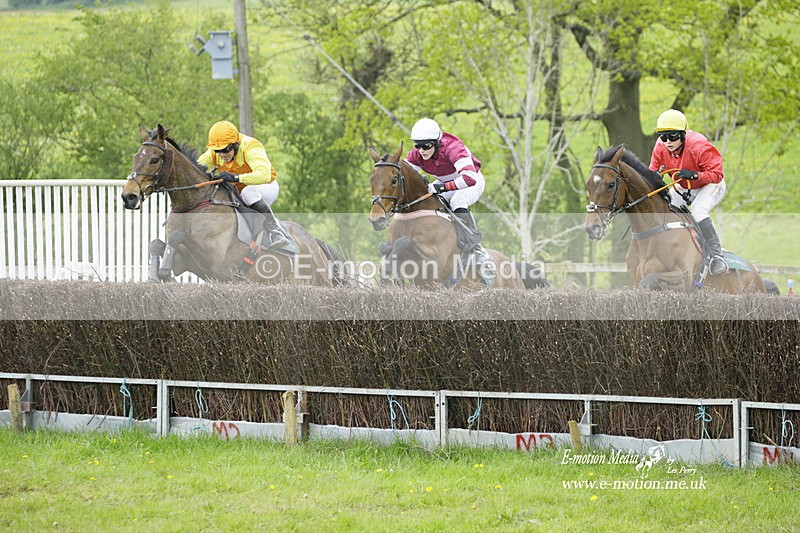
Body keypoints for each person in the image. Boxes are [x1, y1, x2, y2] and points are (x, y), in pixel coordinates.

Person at [405, 118, 494, 272]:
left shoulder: (453, 148)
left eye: (426, 145)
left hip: (472, 181)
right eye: (418, 145)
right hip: (445, 184)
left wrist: (442, 187)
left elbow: (469, 179)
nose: (422, 150)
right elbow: (403, 175)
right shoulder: (417, 154)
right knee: (428, 202)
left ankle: (475, 247)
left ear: (437, 142)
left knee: (458, 201)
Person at [649, 109, 728, 275]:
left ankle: (717, 256)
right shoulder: (660, 147)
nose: (668, 142)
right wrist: (654, 177)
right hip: (684, 186)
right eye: (663, 137)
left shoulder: (699, 146)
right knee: (666, 209)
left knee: (698, 211)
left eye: (672, 136)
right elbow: (651, 173)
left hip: (711, 184)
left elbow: (717, 174)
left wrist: (694, 174)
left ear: (683, 135)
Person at [197, 120, 290, 249]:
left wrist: (235, 177)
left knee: (248, 192)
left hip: (265, 187)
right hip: (238, 192)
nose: (222, 154)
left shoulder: (251, 146)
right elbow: (194, 169)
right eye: (218, 151)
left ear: (235, 144)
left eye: (226, 149)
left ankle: (276, 231)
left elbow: (264, 175)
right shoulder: (215, 152)